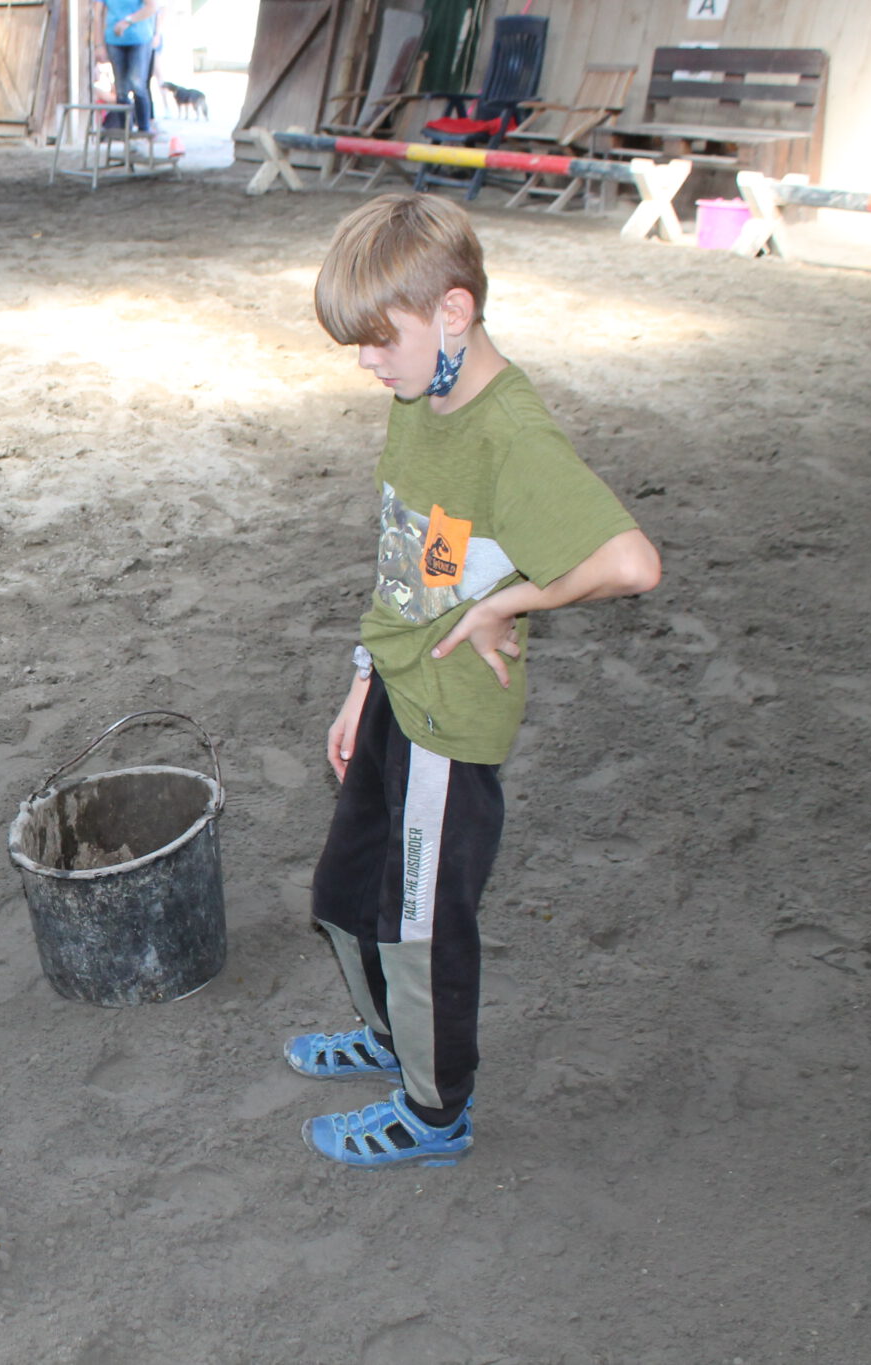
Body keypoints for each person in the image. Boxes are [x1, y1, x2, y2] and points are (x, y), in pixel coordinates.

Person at [286, 194, 662, 1168]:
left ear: (451, 313)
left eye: (380, 341)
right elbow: (405, 566)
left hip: (450, 725)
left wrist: (508, 605)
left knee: (416, 929)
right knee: (340, 895)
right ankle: (389, 1041)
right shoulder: (419, 402)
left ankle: (432, 1109)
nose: (368, 364)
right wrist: (362, 679)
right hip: (396, 693)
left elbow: (630, 562)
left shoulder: (507, 436)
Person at [97, 0, 160, 133]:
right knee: (121, 89)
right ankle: (126, 133)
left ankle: (144, 129)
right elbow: (98, 14)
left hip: (139, 39)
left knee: (137, 84)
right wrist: (99, 44)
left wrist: (128, 21)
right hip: (113, 40)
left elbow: (152, 7)